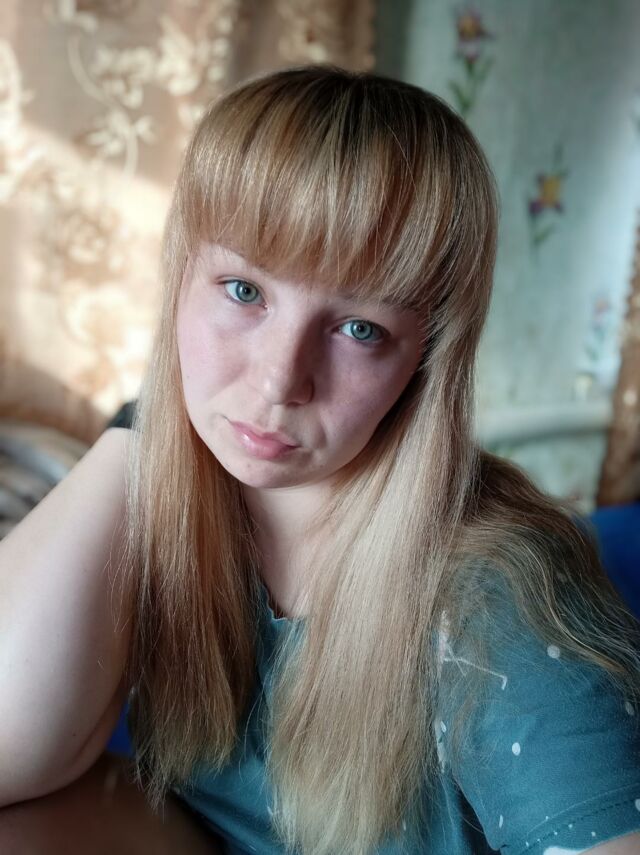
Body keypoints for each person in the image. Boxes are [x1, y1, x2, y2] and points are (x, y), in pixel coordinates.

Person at [1, 65, 640, 855]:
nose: (279, 381)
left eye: (360, 329)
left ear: (426, 357)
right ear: (179, 277)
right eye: (242, 291)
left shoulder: (496, 598)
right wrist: (143, 428)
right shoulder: (178, 488)